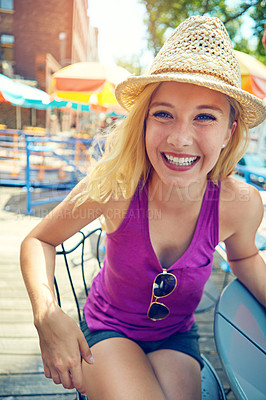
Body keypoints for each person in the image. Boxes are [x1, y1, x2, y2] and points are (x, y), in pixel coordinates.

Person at [20, 15, 266, 400]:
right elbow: (39, 240)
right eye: (163, 113)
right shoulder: (114, 187)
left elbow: (246, 257)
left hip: (176, 336)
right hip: (107, 328)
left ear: (230, 132)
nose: (180, 138)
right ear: (144, 121)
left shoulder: (240, 204)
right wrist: (47, 314)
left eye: (205, 117)